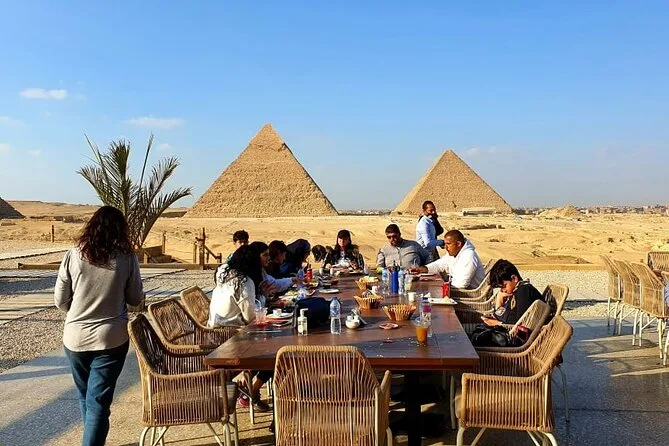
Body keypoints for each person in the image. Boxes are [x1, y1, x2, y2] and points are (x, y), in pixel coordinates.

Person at [54, 206, 144, 446]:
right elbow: (135, 298)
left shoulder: (74, 255)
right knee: (98, 403)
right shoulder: (127, 257)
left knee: (86, 397)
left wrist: (80, 308)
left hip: (75, 337)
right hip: (110, 338)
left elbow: (60, 301)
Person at [209, 245, 271, 412]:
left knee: (267, 347)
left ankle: (249, 388)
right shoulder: (244, 281)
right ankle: (251, 391)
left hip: (214, 334)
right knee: (273, 352)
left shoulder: (225, 276)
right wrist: (264, 297)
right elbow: (250, 315)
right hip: (232, 337)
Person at [409, 230, 485, 289]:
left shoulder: (469, 256)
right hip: (454, 290)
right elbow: (439, 265)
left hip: (466, 295)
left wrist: (441, 285)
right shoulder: (454, 253)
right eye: (445, 244)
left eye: (448, 244)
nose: (445, 247)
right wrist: (422, 269)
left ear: (458, 244)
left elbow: (462, 284)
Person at [482, 259, 544, 326]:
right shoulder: (516, 291)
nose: (503, 290)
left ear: (514, 278)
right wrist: (499, 298)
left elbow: (521, 322)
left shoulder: (524, 291)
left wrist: (497, 323)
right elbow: (500, 315)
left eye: (504, 286)